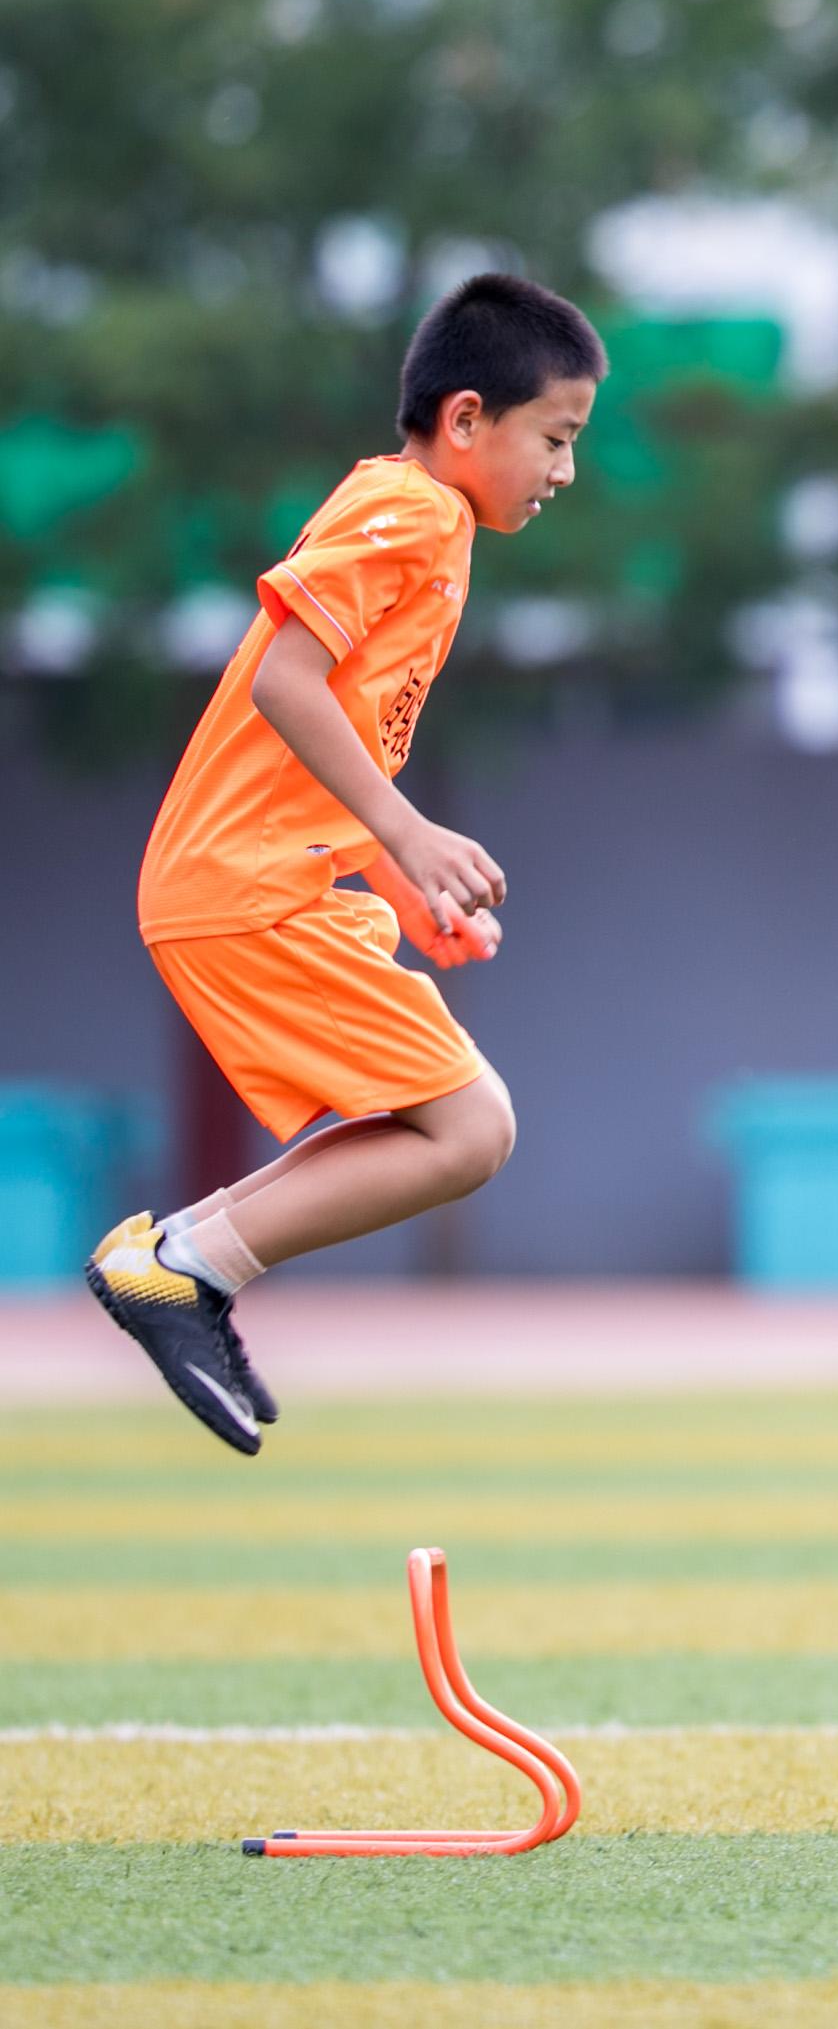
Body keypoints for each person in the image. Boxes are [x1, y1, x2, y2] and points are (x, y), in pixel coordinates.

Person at [86, 273, 605, 1452]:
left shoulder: (436, 526)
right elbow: (282, 681)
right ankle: (180, 1265)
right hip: (241, 889)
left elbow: (338, 731)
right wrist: (415, 832)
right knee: (469, 1130)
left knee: (444, 1125)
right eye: (557, 439)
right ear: (467, 418)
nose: (565, 472)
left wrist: (395, 871)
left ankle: (177, 1266)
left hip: (271, 882)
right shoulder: (414, 511)